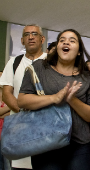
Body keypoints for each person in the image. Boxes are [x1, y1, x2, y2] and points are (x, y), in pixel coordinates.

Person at [17, 29, 90, 170]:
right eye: (62, 40)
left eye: (72, 40)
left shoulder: (88, 78)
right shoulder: (39, 68)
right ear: (58, 47)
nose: (66, 42)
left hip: (80, 145)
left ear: (79, 51)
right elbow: (22, 100)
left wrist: (71, 99)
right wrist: (54, 98)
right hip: (45, 143)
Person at [0, 24, 47, 170]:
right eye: (27, 35)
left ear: (42, 39)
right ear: (22, 40)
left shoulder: (51, 61)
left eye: (34, 34)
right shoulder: (14, 62)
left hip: (46, 129)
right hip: (20, 130)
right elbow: (7, 94)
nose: (30, 37)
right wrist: (23, 114)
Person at [0, 71, 11, 170]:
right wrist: (10, 107)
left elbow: (13, 113)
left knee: (8, 165)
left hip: (8, 136)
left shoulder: (11, 95)